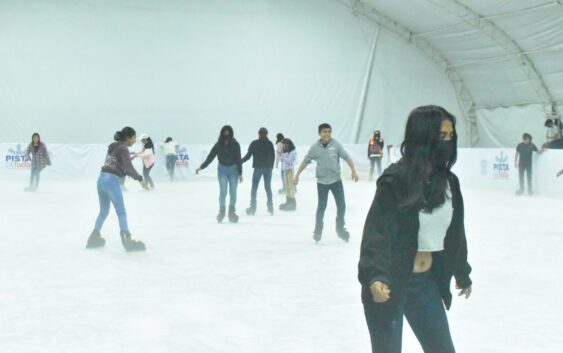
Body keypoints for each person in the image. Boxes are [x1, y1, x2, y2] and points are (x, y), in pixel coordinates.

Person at [358, 105, 472, 353]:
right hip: (389, 283)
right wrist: (376, 277)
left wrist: (462, 271)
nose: (448, 141)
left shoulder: (449, 183)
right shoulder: (395, 181)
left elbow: (455, 233)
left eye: (451, 135)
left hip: (425, 284)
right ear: (423, 137)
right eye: (442, 136)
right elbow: (377, 234)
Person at [293, 123, 359, 243]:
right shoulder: (314, 148)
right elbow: (305, 161)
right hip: (322, 182)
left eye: (329, 131)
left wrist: (354, 171)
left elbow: (347, 158)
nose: (327, 134)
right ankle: (318, 231)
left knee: (342, 206)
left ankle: (340, 228)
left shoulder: (336, 145)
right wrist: (297, 175)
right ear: (319, 133)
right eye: (324, 132)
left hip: (336, 181)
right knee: (321, 207)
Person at [86, 127, 148, 252]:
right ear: (128, 137)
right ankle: (127, 240)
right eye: (134, 137)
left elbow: (118, 162)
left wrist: (129, 158)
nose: (134, 140)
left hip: (101, 179)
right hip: (111, 181)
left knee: (103, 211)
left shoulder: (113, 146)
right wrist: (140, 178)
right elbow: (128, 167)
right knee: (121, 212)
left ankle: (93, 237)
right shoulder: (124, 148)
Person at [196, 126, 243, 223]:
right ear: (222, 134)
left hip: (233, 170)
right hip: (222, 170)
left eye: (228, 133)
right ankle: (222, 212)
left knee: (233, 192)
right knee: (223, 191)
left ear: (231, 134)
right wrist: (201, 167)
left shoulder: (235, 144)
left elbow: (238, 159)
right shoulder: (218, 145)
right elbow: (210, 157)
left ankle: (231, 212)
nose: (226, 135)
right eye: (224, 133)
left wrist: (240, 173)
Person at [242, 127, 276, 215]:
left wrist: (240, 161)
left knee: (254, 188)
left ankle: (253, 207)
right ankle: (270, 206)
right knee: (268, 187)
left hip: (258, 168)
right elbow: (273, 156)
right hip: (268, 168)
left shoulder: (254, 143)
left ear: (258, 134)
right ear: (267, 134)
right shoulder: (269, 144)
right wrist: (271, 166)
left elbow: (248, 156)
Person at [279, 138, 297, 211]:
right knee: (287, 187)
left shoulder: (293, 152)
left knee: (290, 187)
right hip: (285, 171)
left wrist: (283, 157)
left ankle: (292, 203)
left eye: (285, 145)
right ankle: (288, 201)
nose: (284, 146)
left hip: (290, 171)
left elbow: (289, 161)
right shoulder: (285, 152)